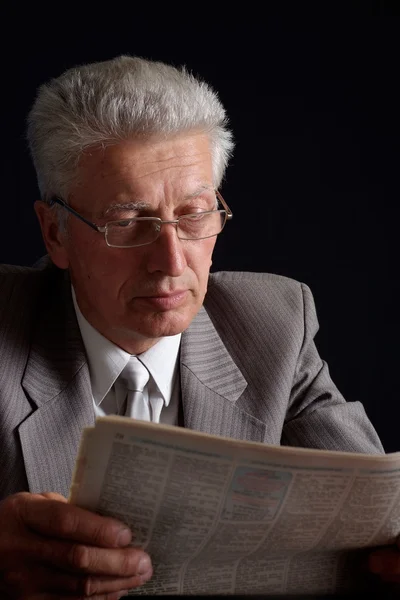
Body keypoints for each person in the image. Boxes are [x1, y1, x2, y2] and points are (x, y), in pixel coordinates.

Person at [0, 55, 398, 598]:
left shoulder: (274, 325)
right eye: (126, 222)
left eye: (193, 215)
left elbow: (376, 513)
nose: (170, 260)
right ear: (55, 234)